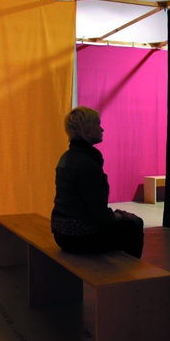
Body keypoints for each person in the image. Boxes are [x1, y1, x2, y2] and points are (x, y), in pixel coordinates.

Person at [51, 106, 144, 258]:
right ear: (87, 130)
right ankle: (129, 276)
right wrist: (123, 215)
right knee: (135, 224)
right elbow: (101, 216)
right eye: (98, 124)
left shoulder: (67, 157)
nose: (102, 129)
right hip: (79, 237)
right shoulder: (87, 164)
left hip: (60, 233)